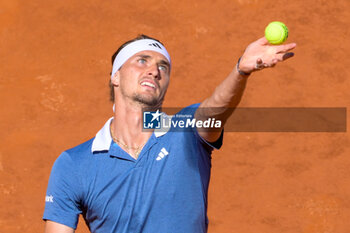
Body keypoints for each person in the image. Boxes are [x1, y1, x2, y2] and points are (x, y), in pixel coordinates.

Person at [43, 34, 296, 233]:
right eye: (142, 61)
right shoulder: (73, 164)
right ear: (115, 76)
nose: (154, 70)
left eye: (162, 66)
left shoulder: (184, 130)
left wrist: (240, 70)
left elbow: (215, 108)